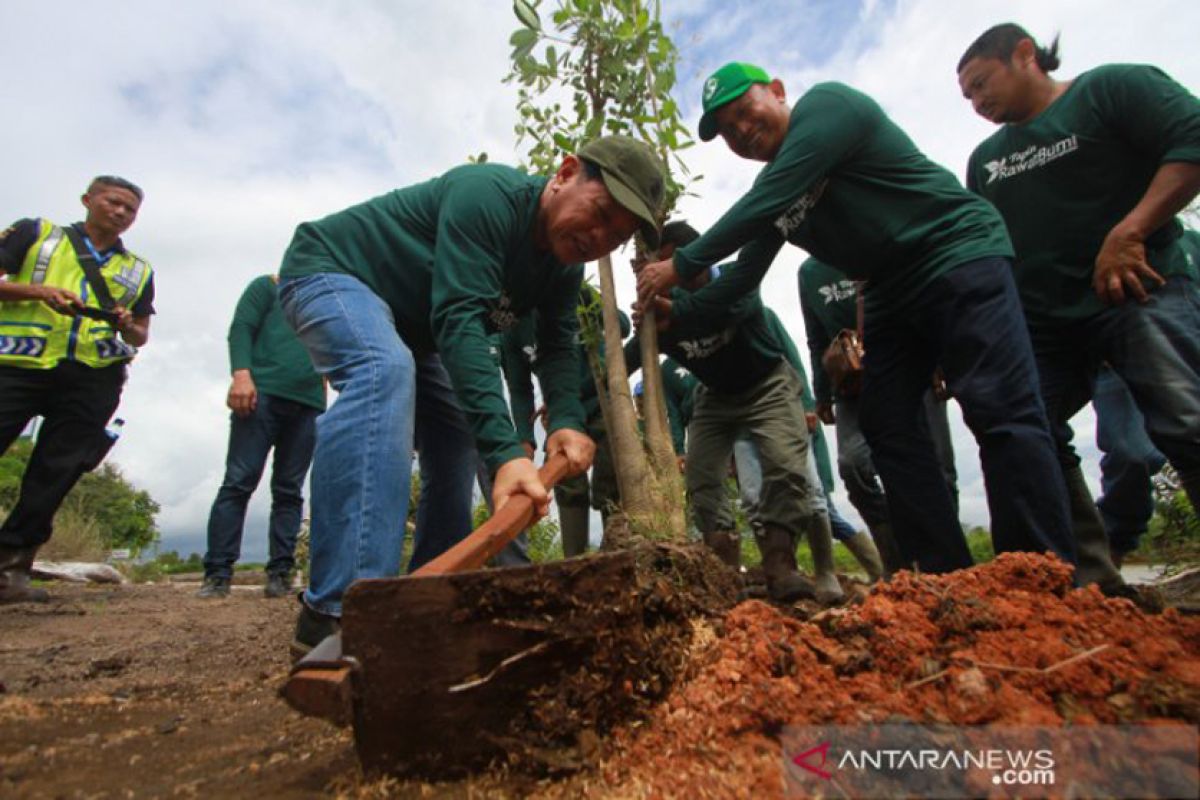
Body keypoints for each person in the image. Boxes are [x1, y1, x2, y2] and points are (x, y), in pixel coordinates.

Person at [636, 63, 1073, 575]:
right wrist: (675, 311)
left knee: (1000, 407)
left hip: (954, 253)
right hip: (887, 290)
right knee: (886, 426)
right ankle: (943, 574)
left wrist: (682, 264)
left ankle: (1040, 572)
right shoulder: (776, 193)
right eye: (727, 131)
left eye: (743, 112)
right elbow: (737, 281)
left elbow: (765, 200)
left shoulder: (828, 109)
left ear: (777, 92)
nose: (740, 130)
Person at [278, 137, 665, 657]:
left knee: (458, 432)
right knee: (381, 371)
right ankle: (338, 611)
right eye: (599, 214)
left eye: (616, 237)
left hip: (414, 329)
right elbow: (459, 318)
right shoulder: (486, 195)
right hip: (331, 273)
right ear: (566, 172)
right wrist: (507, 454)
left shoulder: (563, 268)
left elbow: (556, 347)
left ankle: (424, 599)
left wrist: (567, 422)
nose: (598, 238)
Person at [958, 24, 1200, 590]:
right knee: (1020, 426)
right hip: (1044, 325)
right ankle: (1089, 582)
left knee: (1185, 421)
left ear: (1024, 56)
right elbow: (985, 246)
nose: (976, 103)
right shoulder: (986, 162)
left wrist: (1132, 229)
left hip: (1141, 291)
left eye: (980, 84)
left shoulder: (1112, 90)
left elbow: (1192, 138)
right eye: (966, 97)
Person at [632, 221, 843, 604]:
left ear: (696, 260)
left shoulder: (733, 278)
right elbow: (630, 355)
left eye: (672, 267)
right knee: (701, 475)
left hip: (768, 384)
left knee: (786, 466)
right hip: (715, 397)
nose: (668, 279)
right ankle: (725, 571)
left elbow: (727, 308)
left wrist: (676, 312)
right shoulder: (664, 307)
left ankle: (781, 565)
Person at [0, 176, 153, 603]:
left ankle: (11, 567)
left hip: (93, 374)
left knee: (57, 471)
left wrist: (127, 323)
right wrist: (37, 291)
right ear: (88, 200)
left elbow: (142, 334)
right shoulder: (37, 235)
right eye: (114, 202)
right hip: (17, 363)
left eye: (130, 210)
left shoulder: (137, 269)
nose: (121, 213)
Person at [799, 257, 959, 576]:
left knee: (939, 467)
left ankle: (948, 564)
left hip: (911, 362)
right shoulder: (810, 272)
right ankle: (895, 557)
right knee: (853, 465)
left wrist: (944, 358)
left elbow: (927, 292)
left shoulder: (876, 239)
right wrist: (821, 393)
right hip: (852, 382)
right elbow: (816, 337)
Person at [731, 305, 885, 582]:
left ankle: (841, 572)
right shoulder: (701, 326)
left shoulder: (760, 314)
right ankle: (780, 571)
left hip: (783, 416)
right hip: (743, 428)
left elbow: (791, 356)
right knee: (754, 501)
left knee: (816, 499)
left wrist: (806, 403)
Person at [198, 275, 326, 599]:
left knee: (289, 489)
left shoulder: (325, 299)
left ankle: (280, 573)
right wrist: (241, 375)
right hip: (262, 395)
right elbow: (241, 328)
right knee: (239, 481)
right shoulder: (268, 286)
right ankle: (218, 573)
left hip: (308, 403)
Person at [501, 286, 629, 557]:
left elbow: (624, 325)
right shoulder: (511, 330)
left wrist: (593, 304)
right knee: (568, 481)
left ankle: (615, 555)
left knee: (609, 483)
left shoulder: (574, 295)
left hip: (600, 403)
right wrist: (525, 438)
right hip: (562, 417)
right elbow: (519, 388)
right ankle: (576, 561)